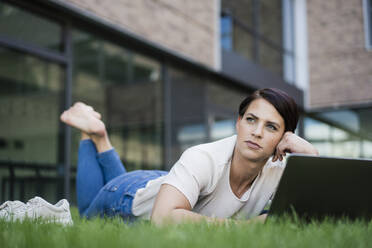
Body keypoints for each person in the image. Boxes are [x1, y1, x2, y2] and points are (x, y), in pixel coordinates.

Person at [60, 88, 318, 224]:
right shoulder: (204, 157)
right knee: (84, 217)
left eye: (271, 127)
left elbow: (319, 212)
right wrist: (239, 229)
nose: (257, 132)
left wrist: (311, 155)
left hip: (165, 181)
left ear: (285, 137)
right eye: (251, 120)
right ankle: (90, 132)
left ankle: (99, 136)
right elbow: (162, 218)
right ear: (238, 122)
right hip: (128, 196)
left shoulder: (281, 169)